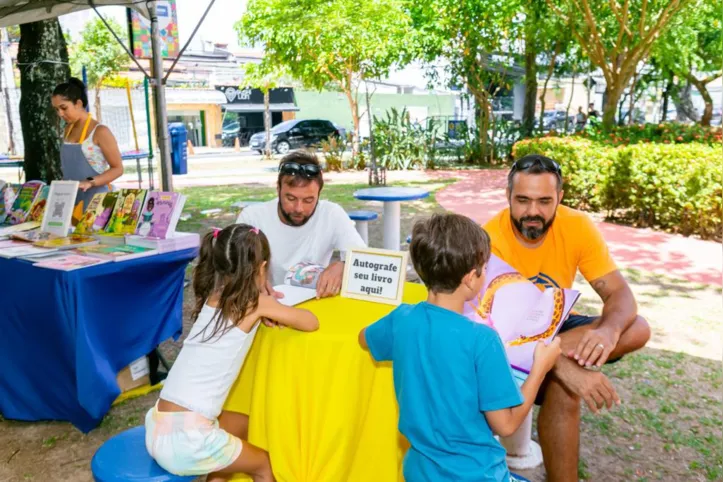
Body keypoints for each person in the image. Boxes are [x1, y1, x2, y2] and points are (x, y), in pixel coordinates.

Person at [484, 154, 651, 482]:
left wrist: (607, 332)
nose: (533, 212)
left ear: (560, 198)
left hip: (556, 328)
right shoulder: (489, 239)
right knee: (565, 387)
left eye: (545, 201)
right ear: (508, 198)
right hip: (503, 343)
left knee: (638, 327)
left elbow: (620, 294)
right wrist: (560, 364)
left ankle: (560, 362)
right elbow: (497, 335)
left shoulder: (576, 226)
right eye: (523, 200)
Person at [359, 213, 562, 481]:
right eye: (485, 267)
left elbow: (365, 338)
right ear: (470, 278)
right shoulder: (482, 340)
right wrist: (540, 369)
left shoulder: (402, 320)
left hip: (419, 472)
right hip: (477, 474)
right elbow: (507, 424)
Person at [145, 224, 319, 482]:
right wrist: (268, 304)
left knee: (245, 424)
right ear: (262, 268)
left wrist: (264, 304)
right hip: (188, 441)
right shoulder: (255, 303)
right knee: (264, 465)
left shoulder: (213, 296)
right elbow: (310, 321)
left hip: (159, 425)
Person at [236, 151, 365, 298]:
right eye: (290, 198)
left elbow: (363, 260)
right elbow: (233, 270)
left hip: (315, 301)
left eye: (308, 200)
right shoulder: (252, 217)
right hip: (266, 302)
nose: (299, 208)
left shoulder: (331, 214)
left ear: (319, 195)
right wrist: (251, 282)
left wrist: (343, 265)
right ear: (278, 189)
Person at [51, 78, 124, 212]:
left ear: (78, 103)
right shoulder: (67, 130)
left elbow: (118, 168)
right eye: (56, 109)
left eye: (63, 108)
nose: (60, 114)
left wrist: (90, 182)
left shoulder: (100, 131)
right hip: (70, 201)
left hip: (97, 202)